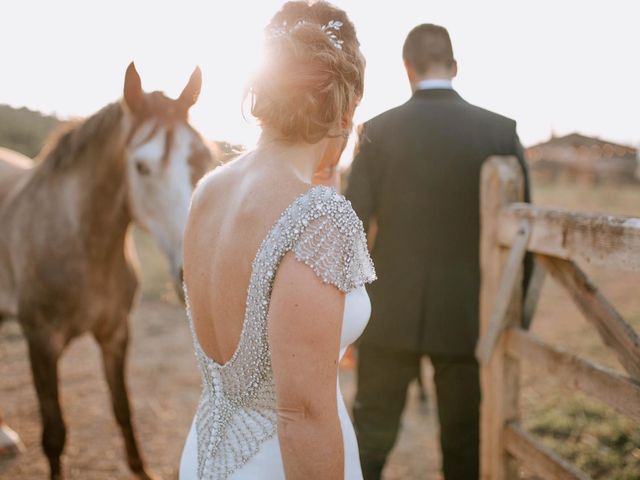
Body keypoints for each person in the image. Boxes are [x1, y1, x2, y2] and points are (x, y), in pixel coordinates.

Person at [179, 2, 376, 479]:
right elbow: (303, 414)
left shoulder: (208, 191)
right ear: (347, 107)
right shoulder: (320, 217)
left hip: (205, 453)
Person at [346, 24, 531, 480]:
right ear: (454, 66)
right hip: (466, 313)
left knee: (369, 438)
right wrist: (514, 313)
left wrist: (349, 312)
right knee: (464, 443)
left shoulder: (376, 132)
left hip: (388, 312)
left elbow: (350, 227)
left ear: (406, 69)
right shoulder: (499, 131)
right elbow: (524, 234)